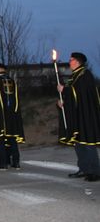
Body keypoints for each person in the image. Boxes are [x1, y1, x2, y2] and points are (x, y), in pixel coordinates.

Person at [57, 52, 100, 182]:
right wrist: (62, 101)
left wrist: (65, 90)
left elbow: (81, 92)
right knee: (78, 143)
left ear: (78, 62)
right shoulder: (74, 77)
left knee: (88, 143)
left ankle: (95, 171)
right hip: (77, 116)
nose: (69, 62)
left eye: (71, 60)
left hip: (86, 115)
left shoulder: (85, 75)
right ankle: (84, 169)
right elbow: (72, 96)